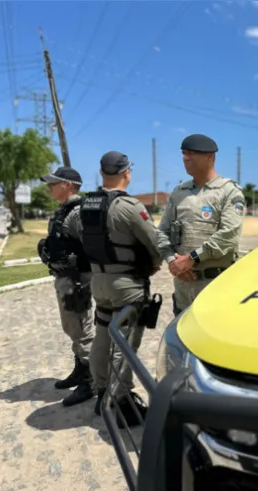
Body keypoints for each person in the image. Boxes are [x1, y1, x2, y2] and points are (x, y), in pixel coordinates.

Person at [76, 151, 163, 427]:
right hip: (127, 285)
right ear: (126, 173)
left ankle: (103, 393)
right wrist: (153, 266)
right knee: (124, 345)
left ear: (102, 173)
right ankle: (121, 402)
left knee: (102, 339)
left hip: (99, 283)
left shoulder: (85, 206)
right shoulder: (130, 207)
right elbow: (155, 244)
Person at [157, 134, 245, 315]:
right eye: (183, 153)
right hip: (183, 286)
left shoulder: (228, 191)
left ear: (209, 156)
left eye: (191, 153)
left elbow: (228, 235)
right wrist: (173, 261)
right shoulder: (179, 192)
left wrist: (191, 259)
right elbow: (162, 232)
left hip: (215, 285)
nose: (185, 158)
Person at [37, 167, 97, 407]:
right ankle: (80, 370)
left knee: (82, 329)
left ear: (68, 185)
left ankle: (91, 380)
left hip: (77, 280)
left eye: (54, 183)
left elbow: (91, 247)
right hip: (65, 279)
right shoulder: (64, 211)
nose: (49, 187)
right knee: (72, 327)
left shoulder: (78, 213)